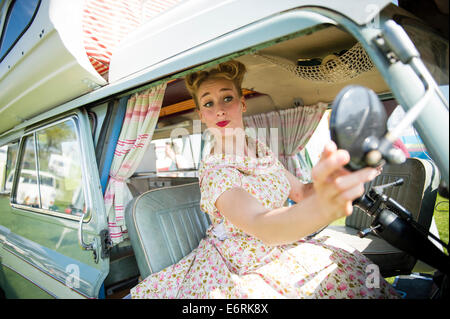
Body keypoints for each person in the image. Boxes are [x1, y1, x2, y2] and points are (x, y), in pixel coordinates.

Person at [130, 60, 399, 298]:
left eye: (227, 98)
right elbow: (262, 226)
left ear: (242, 103)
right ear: (201, 115)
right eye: (208, 104)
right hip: (242, 260)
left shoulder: (261, 151)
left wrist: (336, 179)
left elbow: (302, 193)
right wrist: (325, 206)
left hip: (282, 243)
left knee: (354, 267)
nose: (219, 110)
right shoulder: (216, 172)